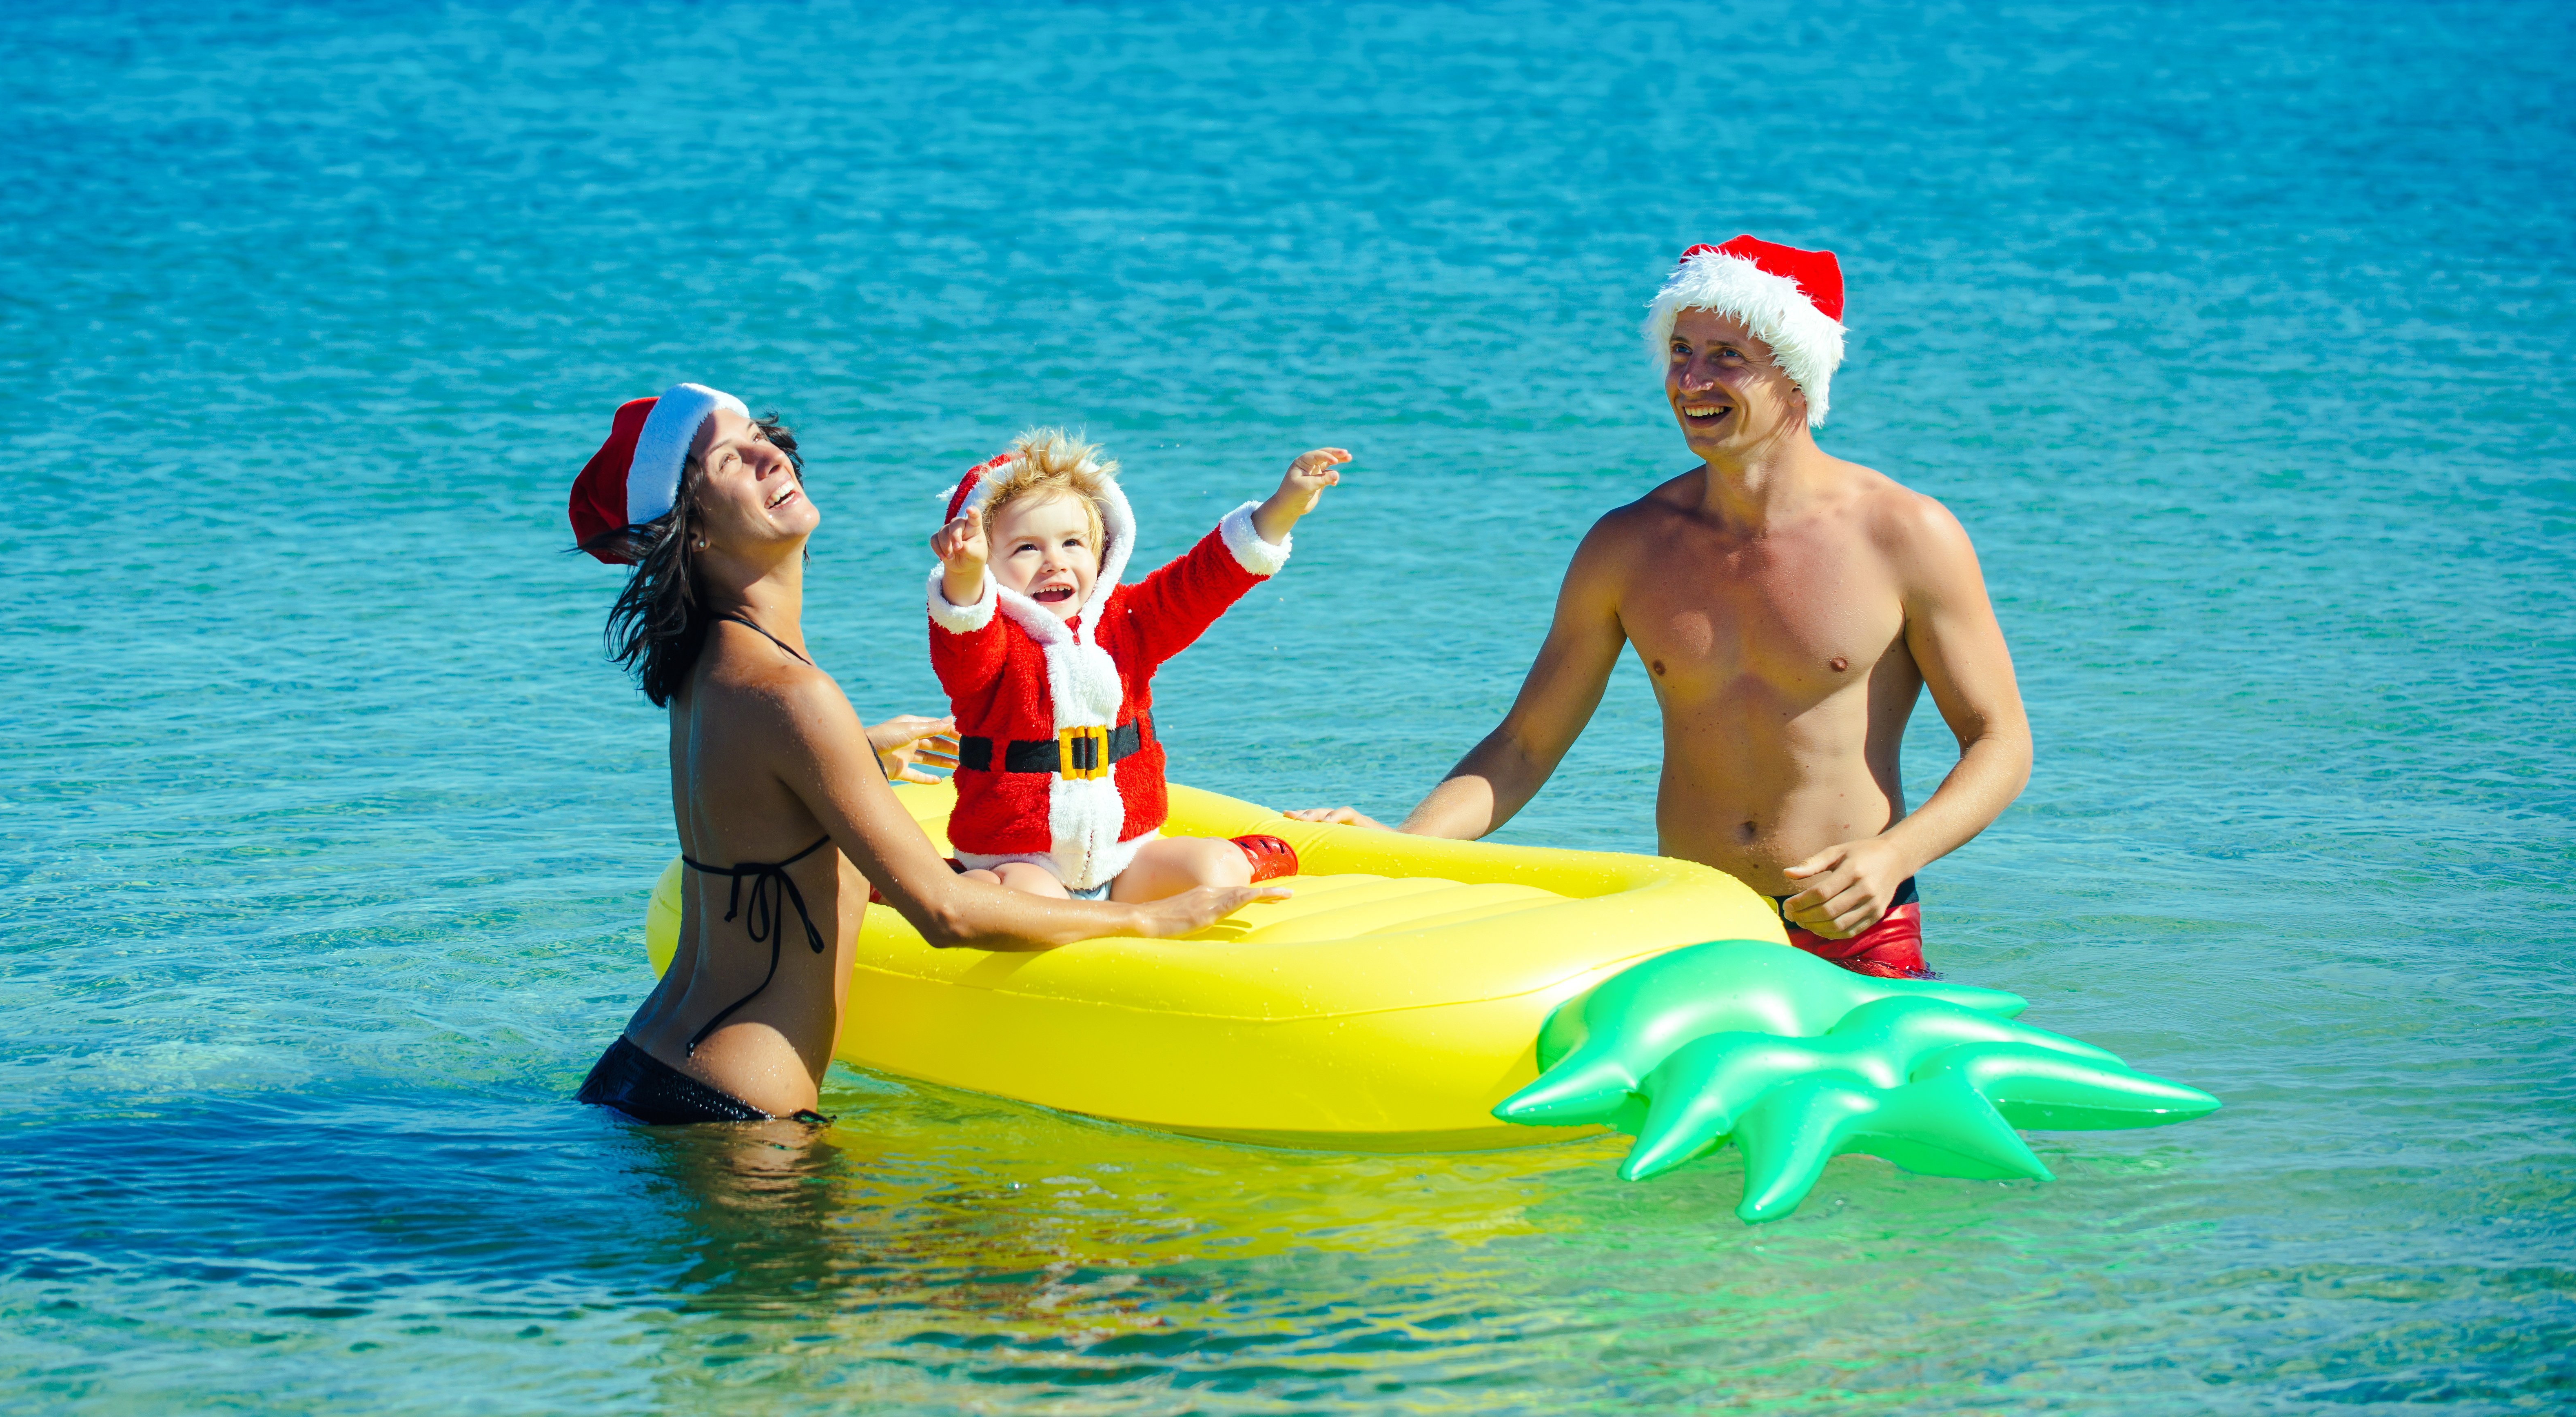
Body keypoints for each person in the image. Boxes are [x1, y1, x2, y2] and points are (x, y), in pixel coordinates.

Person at [1286, 237, 2030, 979]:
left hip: (1854, 926)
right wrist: (1402, 852)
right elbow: (1524, 747)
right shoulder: (1629, 546)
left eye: (1726, 357)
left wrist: (1895, 853)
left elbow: (1998, 740)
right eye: (1681, 350)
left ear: (1797, 371)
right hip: (1692, 924)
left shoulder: (1904, 535)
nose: (1690, 379)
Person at [566, 384, 1284, 1126]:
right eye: (729, 460)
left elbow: (749, 791)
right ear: (694, 532)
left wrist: (859, 753)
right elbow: (947, 913)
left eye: (758, 435)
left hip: (650, 1068)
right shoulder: (792, 695)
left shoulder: (712, 668)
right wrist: (1151, 922)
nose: (767, 454)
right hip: (737, 1117)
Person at [924, 429, 1346, 901]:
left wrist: (1281, 509)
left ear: (1105, 549)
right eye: (1026, 548)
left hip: (1125, 856)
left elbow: (1204, 580)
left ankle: (1241, 857)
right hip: (1019, 861)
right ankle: (947, 883)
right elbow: (962, 632)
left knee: (1214, 870)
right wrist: (963, 574)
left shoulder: (1128, 622)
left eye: (1072, 543)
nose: (1054, 563)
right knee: (1031, 904)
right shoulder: (989, 644)